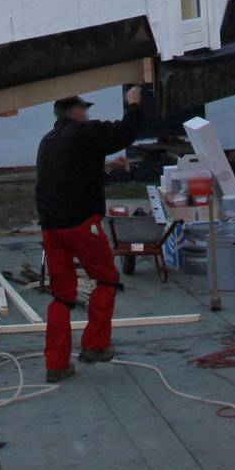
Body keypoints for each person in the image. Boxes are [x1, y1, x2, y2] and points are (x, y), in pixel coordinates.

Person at [34, 87, 144, 382]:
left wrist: (106, 167)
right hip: (81, 225)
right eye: (86, 110)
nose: (89, 114)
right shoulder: (84, 133)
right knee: (107, 279)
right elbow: (125, 133)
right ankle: (95, 346)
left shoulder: (49, 141)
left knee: (61, 296)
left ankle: (56, 364)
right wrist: (133, 104)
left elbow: (71, 172)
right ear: (77, 112)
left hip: (51, 228)